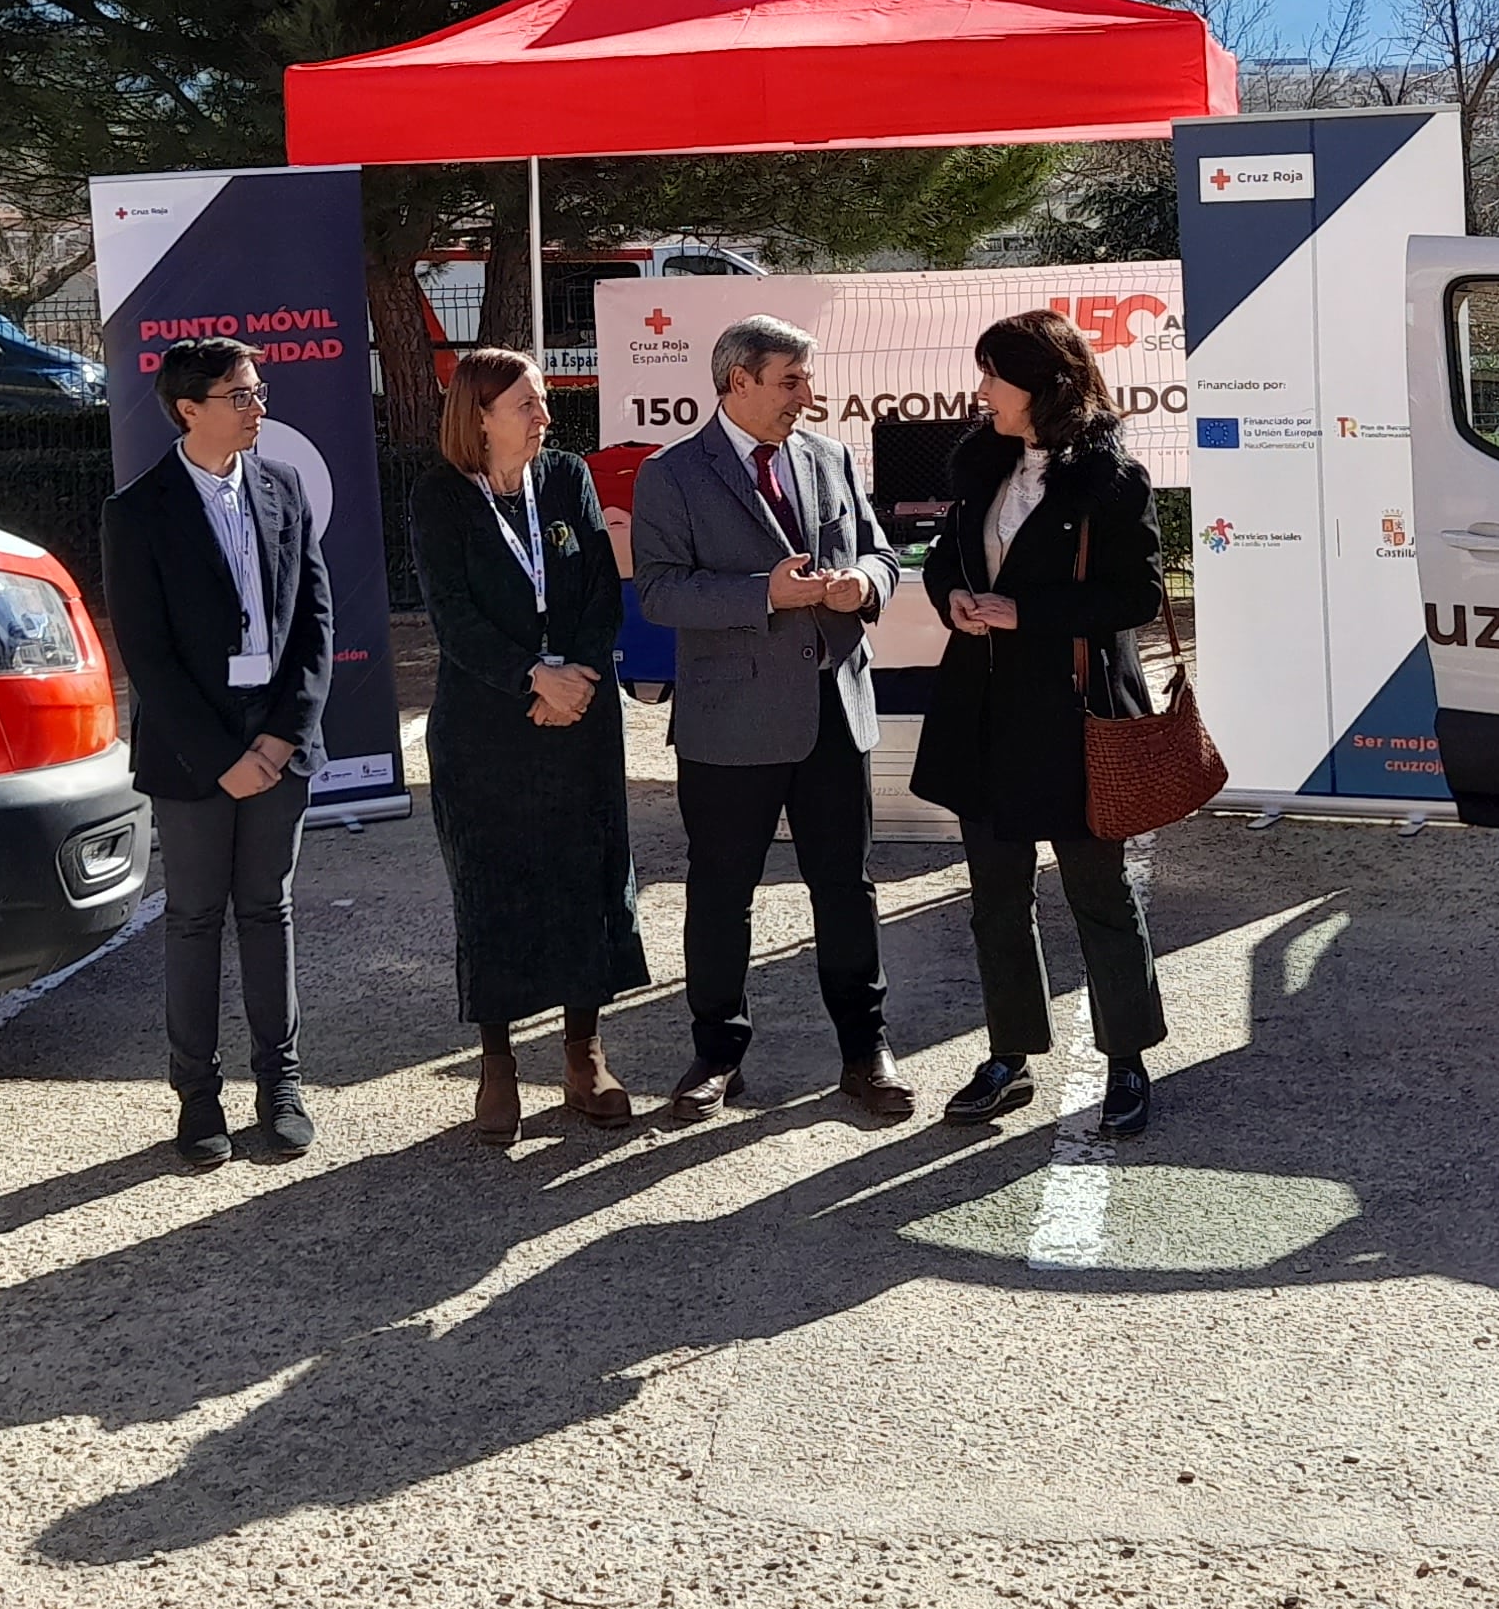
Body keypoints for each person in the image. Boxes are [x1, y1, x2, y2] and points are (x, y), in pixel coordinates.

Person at [628, 316, 915, 1123]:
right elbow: (659, 592)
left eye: (807, 380)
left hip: (833, 710)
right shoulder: (672, 474)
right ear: (738, 381)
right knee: (722, 892)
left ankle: (865, 1050)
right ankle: (718, 1053)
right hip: (730, 722)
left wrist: (863, 583)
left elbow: (880, 553)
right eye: (790, 380)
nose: (806, 396)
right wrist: (765, 592)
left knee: (846, 889)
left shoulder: (830, 456)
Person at [910, 308, 1169, 1138]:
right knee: (994, 897)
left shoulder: (1110, 477)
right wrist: (951, 595)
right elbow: (950, 553)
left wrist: (1028, 611)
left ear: (1043, 386)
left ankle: (1126, 1059)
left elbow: (1140, 596)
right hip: (983, 712)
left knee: (1098, 892)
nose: (979, 390)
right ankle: (1009, 1055)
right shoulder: (981, 461)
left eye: (994, 375)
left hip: (1073, 717)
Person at [101, 335, 334, 1168]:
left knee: (268, 912)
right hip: (195, 755)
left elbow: (314, 621)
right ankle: (198, 1097)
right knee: (196, 919)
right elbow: (148, 655)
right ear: (188, 408)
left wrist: (281, 736)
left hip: (277, 743)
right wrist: (219, 758)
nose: (257, 406)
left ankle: (281, 1085)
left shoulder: (283, 487)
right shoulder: (137, 511)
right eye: (240, 395)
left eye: (258, 391)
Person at [407, 349, 648, 1143]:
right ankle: (499, 1062)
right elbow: (452, 615)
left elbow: (601, 593)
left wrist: (572, 678)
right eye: (527, 404)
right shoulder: (441, 497)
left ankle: (584, 1053)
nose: (545, 416)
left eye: (542, 402)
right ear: (479, 415)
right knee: (495, 884)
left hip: (579, 717)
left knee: (586, 876)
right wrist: (531, 679)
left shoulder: (567, 478)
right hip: (488, 726)